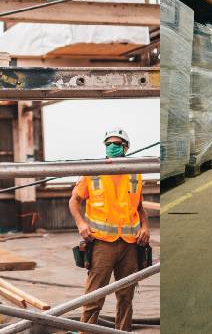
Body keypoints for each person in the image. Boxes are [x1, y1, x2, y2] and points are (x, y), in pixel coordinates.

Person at [68, 129, 151, 330]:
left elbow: (139, 207)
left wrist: (146, 227)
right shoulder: (93, 171)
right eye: (109, 144)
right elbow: (74, 201)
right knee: (94, 296)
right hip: (103, 243)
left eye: (117, 143)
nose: (112, 147)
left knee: (125, 296)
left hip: (130, 244)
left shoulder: (135, 172)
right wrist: (81, 223)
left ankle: (123, 330)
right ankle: (85, 331)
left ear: (126, 147)